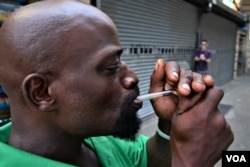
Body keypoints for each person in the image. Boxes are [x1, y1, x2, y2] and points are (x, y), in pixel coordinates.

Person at [0, 0, 233, 166]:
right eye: (111, 68)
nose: (133, 77)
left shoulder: (93, 141)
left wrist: (168, 126)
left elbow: (146, 160)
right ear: (41, 92)